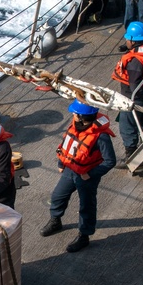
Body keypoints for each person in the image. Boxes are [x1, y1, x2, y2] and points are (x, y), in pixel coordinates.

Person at [39, 100, 117, 253]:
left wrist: (90, 174)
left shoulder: (101, 137)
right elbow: (66, 143)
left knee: (86, 206)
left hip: (86, 176)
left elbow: (110, 161)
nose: (73, 114)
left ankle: (84, 235)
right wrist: (62, 164)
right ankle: (56, 220)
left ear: (82, 117)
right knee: (57, 196)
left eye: (75, 113)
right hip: (70, 170)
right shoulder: (75, 126)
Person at [112, 21, 143, 163]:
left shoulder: (135, 63)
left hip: (133, 98)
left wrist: (137, 100)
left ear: (133, 41)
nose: (126, 41)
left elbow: (134, 86)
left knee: (127, 125)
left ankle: (131, 155)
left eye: (127, 39)